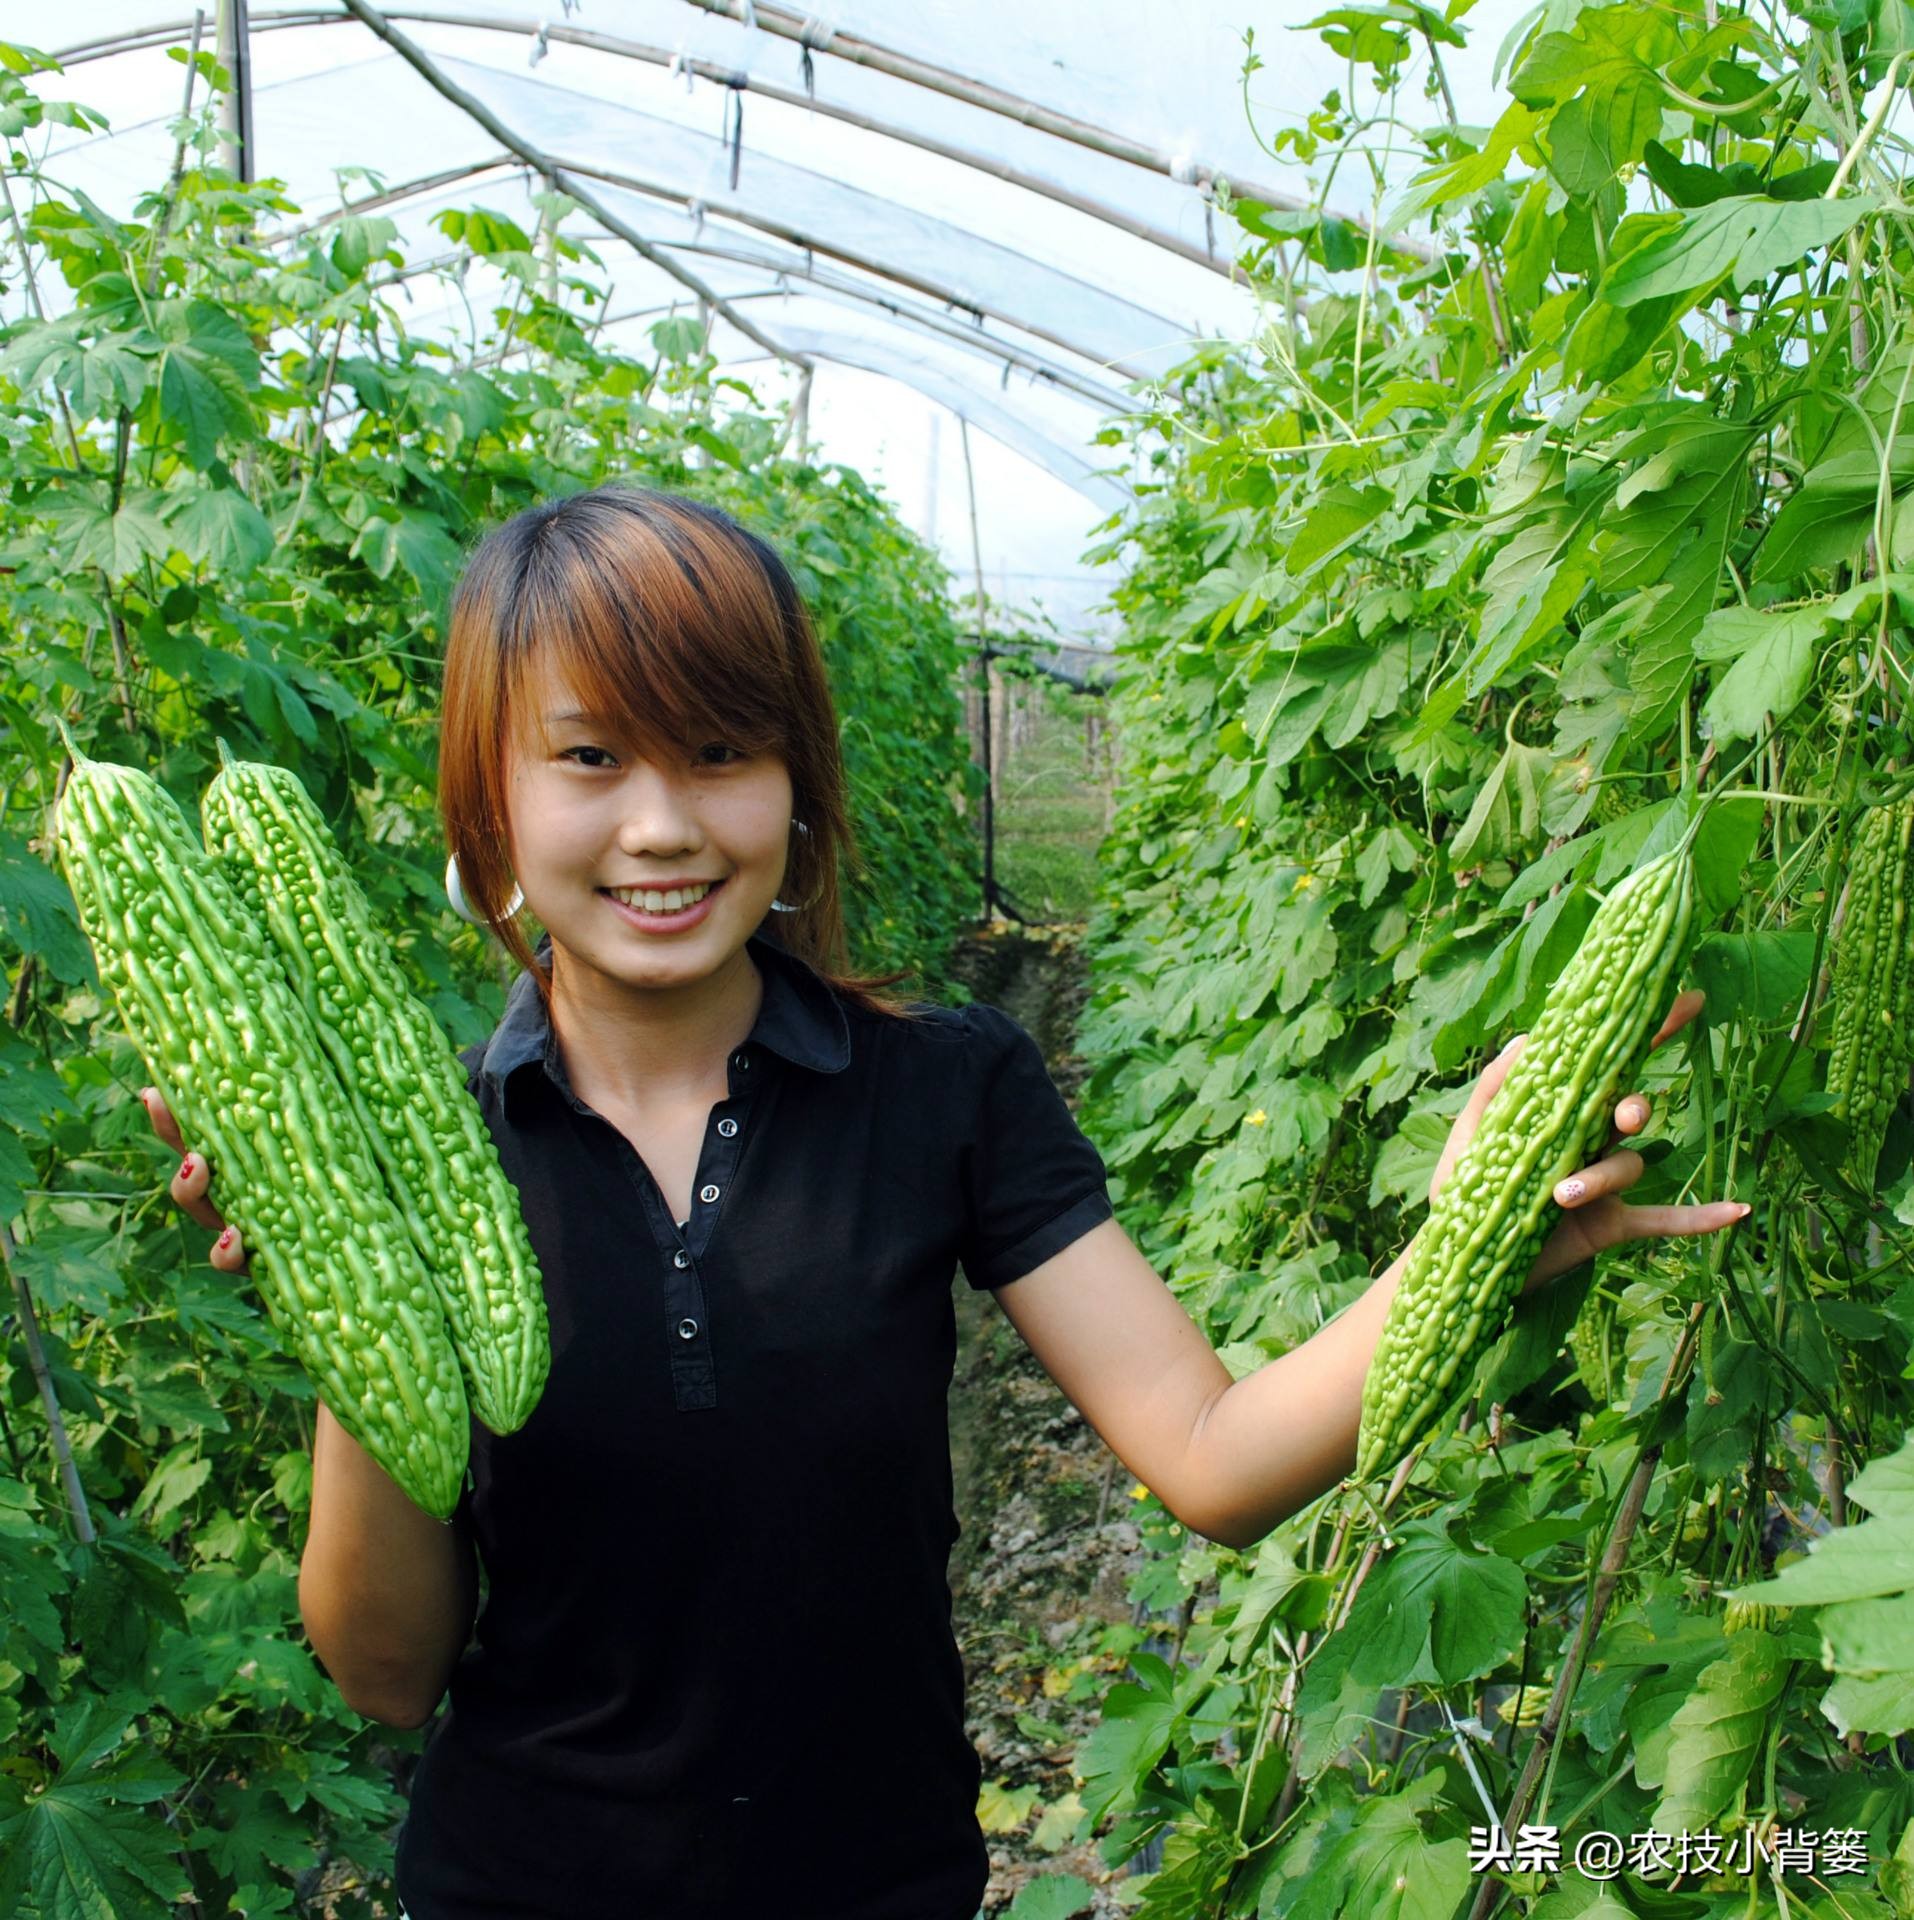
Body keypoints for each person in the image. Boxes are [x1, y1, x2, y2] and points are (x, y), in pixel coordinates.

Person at [142, 483, 1747, 1919]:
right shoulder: (434, 1150)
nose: (661, 822)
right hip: (520, 1886)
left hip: (877, 1881)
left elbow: (1210, 1459)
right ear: (490, 804)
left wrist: (1466, 1239)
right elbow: (386, 1670)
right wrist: (339, 1272)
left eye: (722, 750)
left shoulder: (946, 1086)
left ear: (797, 782)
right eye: (587, 757)